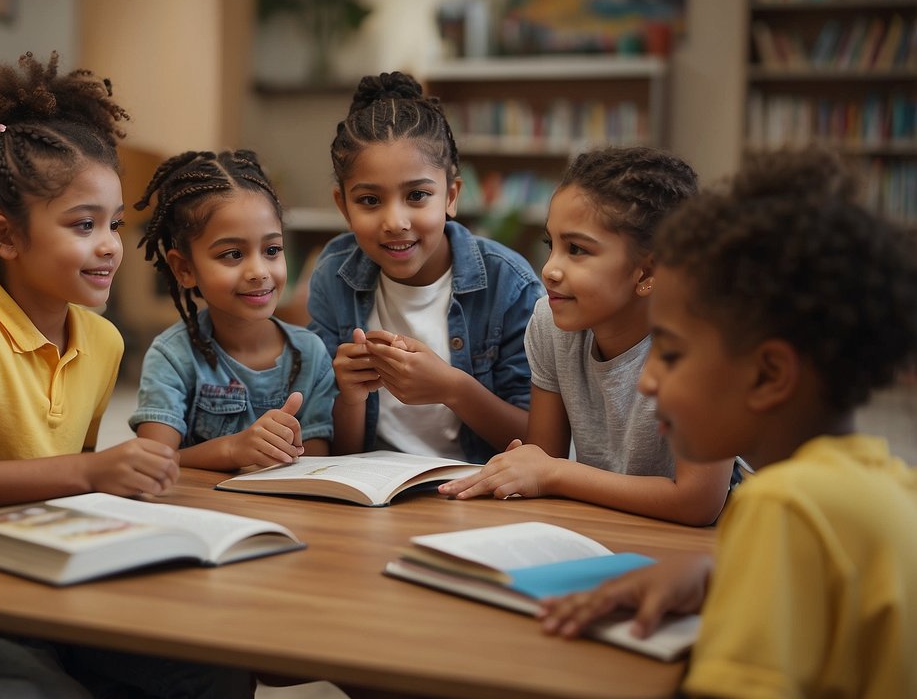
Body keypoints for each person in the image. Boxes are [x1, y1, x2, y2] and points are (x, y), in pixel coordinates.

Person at [0, 51, 254, 699]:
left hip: (30, 577)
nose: (107, 247)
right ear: (5, 236)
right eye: (81, 225)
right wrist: (89, 471)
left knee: (213, 671)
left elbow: (73, 483)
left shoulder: (100, 342)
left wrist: (131, 479)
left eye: (114, 225)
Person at [537, 148, 917, 699]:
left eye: (673, 352)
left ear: (768, 375)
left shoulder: (784, 506)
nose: (647, 378)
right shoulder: (881, 478)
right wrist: (718, 576)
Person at [441, 147, 734, 526]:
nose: (549, 270)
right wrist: (526, 468)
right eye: (552, 245)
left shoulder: (702, 343)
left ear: (647, 273)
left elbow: (698, 502)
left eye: (576, 250)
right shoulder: (550, 322)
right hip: (604, 527)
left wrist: (556, 473)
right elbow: (543, 457)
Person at [308, 71, 543, 463]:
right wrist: (350, 397)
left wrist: (453, 389)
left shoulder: (509, 284)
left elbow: (540, 444)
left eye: (417, 195)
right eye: (369, 200)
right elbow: (335, 451)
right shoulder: (334, 276)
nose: (395, 221)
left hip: (480, 495)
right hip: (371, 497)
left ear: (451, 196)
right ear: (342, 206)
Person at [129, 149, 336, 468]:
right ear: (184, 268)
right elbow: (152, 460)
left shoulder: (311, 354)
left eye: (271, 250)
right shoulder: (173, 357)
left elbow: (316, 459)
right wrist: (231, 450)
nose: (259, 271)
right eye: (232, 254)